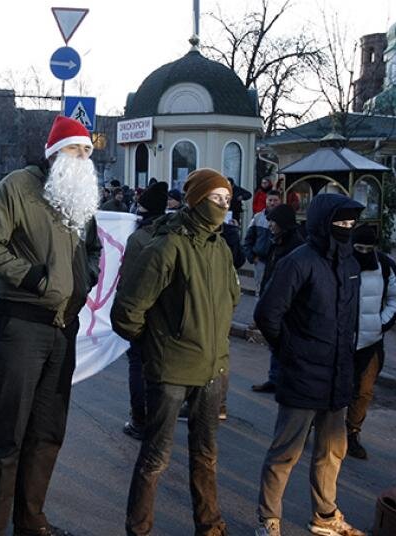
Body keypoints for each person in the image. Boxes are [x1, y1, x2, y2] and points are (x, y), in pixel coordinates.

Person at [0, 115, 102, 536]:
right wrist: (35, 279)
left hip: (64, 329)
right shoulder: (16, 188)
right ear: (55, 153)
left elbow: (93, 249)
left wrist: (87, 277)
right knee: (7, 436)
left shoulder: (80, 200)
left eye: (88, 151)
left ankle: (31, 520)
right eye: (77, 149)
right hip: (21, 326)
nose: (84, 158)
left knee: (47, 432)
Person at [112, 168, 240, 536]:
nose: (223, 206)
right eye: (216, 198)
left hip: (212, 370)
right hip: (170, 372)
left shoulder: (220, 248)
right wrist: (155, 344)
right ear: (197, 199)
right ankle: (139, 529)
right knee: (155, 457)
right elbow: (127, 311)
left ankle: (211, 526)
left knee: (206, 456)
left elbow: (231, 299)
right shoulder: (168, 246)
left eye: (227, 201)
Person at [253, 193, 365, 536]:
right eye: (339, 223)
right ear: (321, 223)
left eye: (351, 223)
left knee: (332, 453)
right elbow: (267, 314)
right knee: (285, 453)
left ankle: (325, 516)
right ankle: (269, 520)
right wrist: (291, 352)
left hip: (337, 377)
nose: (346, 229)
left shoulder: (350, 265)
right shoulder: (298, 262)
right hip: (302, 377)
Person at [345, 224, 396, 460]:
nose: (363, 252)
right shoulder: (341, 261)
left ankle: (352, 432)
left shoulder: (385, 265)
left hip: (371, 341)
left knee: (363, 390)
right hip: (341, 338)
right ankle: (319, 425)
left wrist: (381, 324)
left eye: (367, 248)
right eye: (358, 247)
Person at [117, 181, 169, 440]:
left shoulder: (138, 238)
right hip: (165, 315)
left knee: (137, 366)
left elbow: (127, 281)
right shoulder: (174, 233)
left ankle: (140, 420)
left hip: (143, 312)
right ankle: (159, 421)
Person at [250, 203, 305, 394]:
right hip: (274, 295)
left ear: (282, 223)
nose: (270, 225)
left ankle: (287, 381)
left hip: (287, 302)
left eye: (273, 221)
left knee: (285, 343)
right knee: (274, 343)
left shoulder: (295, 245)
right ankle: (274, 379)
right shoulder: (277, 241)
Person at [243, 189, 282, 288]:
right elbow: (248, 239)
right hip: (260, 261)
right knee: (260, 289)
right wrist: (252, 257)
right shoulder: (257, 217)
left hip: (278, 262)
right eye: (270, 200)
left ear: (280, 201)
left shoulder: (284, 218)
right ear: (266, 201)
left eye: (275, 200)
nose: (272, 203)